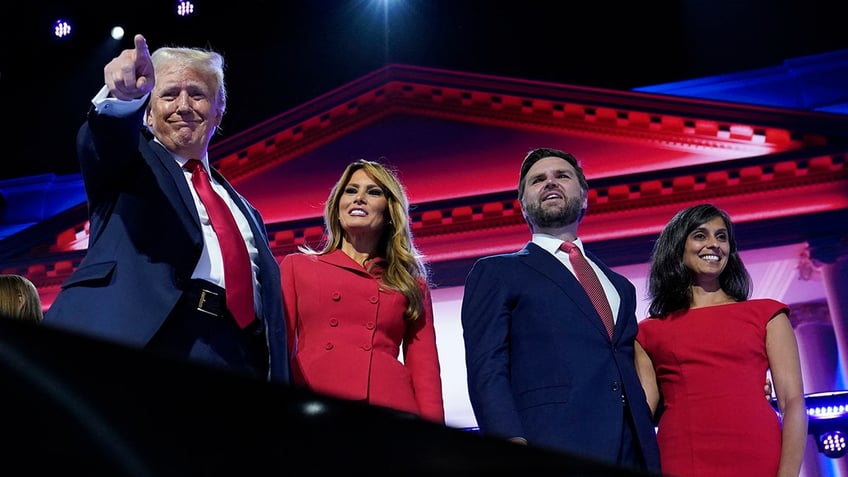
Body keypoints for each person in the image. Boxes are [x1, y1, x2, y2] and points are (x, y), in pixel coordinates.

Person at [43, 34, 288, 383]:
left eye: (198, 95)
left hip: (237, 353)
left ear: (219, 110)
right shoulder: (130, 162)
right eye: (169, 94)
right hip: (151, 334)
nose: (183, 105)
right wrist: (124, 97)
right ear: (148, 112)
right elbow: (103, 140)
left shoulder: (245, 209)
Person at [461, 147, 660, 472]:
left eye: (562, 176)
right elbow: (487, 368)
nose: (550, 183)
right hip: (552, 444)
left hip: (633, 451)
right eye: (538, 180)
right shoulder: (496, 272)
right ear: (522, 204)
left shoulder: (619, 285)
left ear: (583, 197)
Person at [634, 203, 807, 477]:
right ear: (678, 246)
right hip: (681, 456)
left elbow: (793, 401)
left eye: (721, 236)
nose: (714, 244)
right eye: (700, 235)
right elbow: (639, 414)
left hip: (758, 451)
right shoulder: (648, 332)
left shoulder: (767, 314)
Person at [279, 159, 444, 423]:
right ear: (337, 205)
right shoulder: (297, 267)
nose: (360, 198)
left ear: (390, 212)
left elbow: (426, 373)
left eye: (373, 191)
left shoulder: (410, 284)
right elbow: (279, 349)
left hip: (391, 406)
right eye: (351, 190)